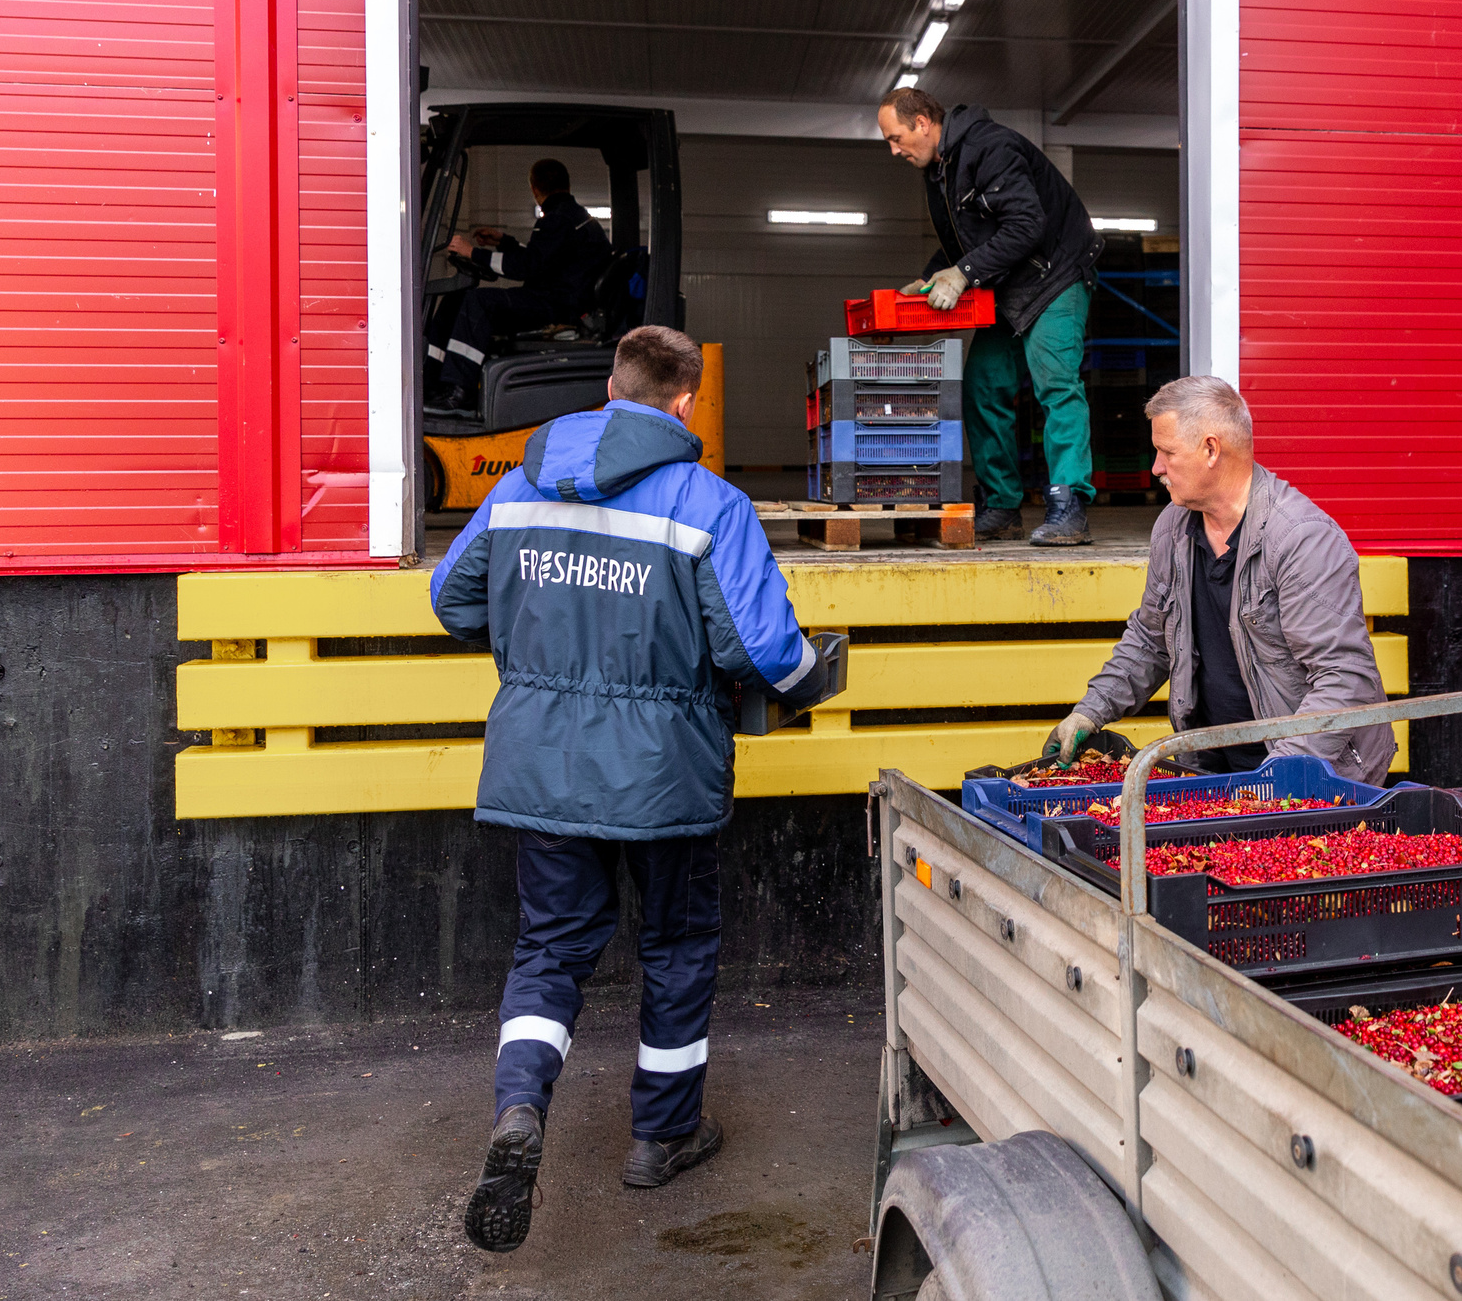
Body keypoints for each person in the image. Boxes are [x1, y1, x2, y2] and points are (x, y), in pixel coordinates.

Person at [430, 326, 840, 1254]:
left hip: (541, 767)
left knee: (549, 948)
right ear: (686, 403)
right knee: (678, 944)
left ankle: (521, 1109)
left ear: (610, 385)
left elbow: (452, 599)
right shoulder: (709, 504)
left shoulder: (519, 483)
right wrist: (816, 673)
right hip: (665, 773)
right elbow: (760, 649)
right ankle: (662, 1136)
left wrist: (540, 649)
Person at [1045, 376, 1394, 783]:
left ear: (1211, 449)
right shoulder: (1173, 527)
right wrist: (1091, 710)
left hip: (1315, 778)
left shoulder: (1303, 539)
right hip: (1214, 771)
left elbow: (1343, 678)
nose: (1156, 468)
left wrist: (1274, 776)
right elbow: (1150, 639)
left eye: (1166, 452)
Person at [877, 86, 1102, 546]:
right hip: (1008, 285)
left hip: (1055, 277)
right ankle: (1001, 504)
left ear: (923, 122)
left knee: (1056, 385)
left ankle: (1069, 505)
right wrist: (921, 286)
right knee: (982, 384)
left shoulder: (990, 148)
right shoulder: (939, 169)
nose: (894, 149)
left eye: (896, 137)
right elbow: (966, 239)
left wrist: (962, 275)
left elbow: (1025, 225)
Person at [427, 156, 614, 410]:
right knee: (457, 299)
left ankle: (460, 389)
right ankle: (434, 379)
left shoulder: (558, 219)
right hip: (559, 299)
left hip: (555, 305)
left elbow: (528, 266)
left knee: (476, 301)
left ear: (534, 189)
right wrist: (504, 242)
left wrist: (473, 252)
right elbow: (544, 257)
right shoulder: (574, 217)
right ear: (566, 185)